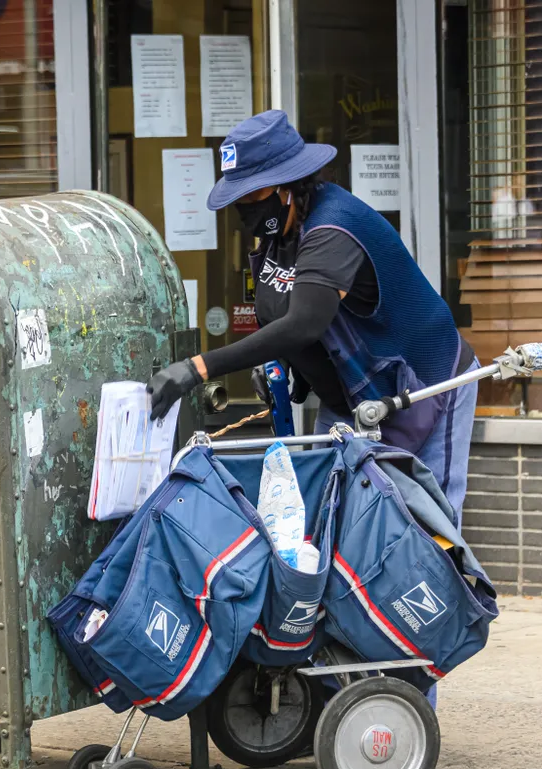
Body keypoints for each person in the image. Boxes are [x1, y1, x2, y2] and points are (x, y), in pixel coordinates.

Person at [146, 109, 480, 522]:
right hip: (353, 396)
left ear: (287, 187)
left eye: (252, 196)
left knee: (430, 528)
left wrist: (197, 368)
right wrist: (281, 363)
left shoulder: (334, 227)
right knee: (333, 522)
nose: (245, 211)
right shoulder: (278, 235)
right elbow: (284, 313)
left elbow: (305, 321)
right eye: (239, 200)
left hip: (426, 384)